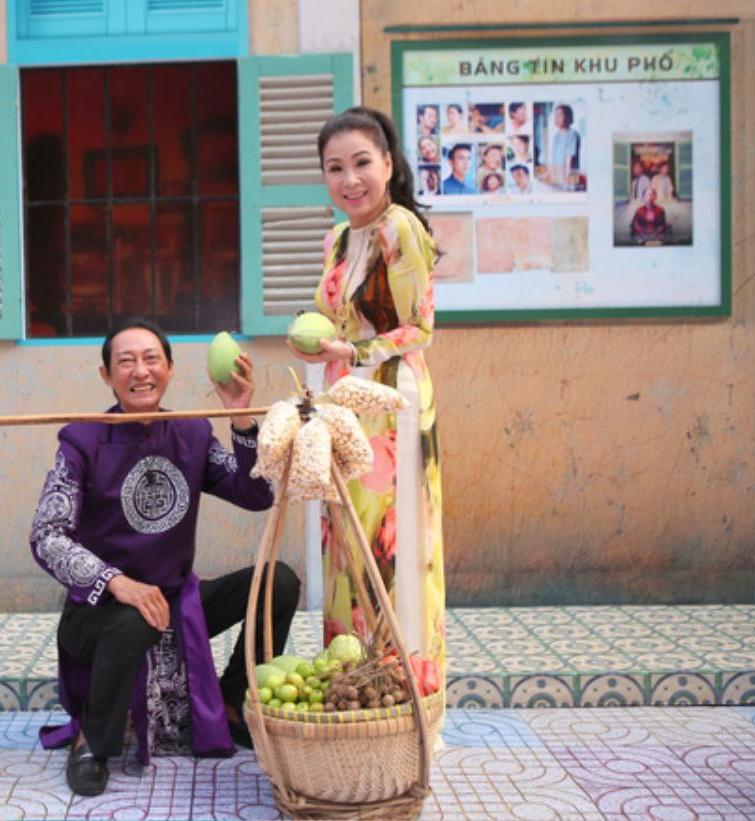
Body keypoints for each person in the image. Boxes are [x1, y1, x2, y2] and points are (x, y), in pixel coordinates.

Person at [31, 318, 300, 796]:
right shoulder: (81, 441)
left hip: (177, 603)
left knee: (278, 581)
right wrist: (117, 581)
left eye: (152, 359)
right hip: (100, 612)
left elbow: (255, 494)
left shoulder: (192, 434)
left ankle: (235, 702)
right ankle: (94, 743)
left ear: (171, 369)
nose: (141, 371)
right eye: (126, 361)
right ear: (106, 375)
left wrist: (239, 416)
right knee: (133, 619)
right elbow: (46, 535)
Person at [293, 104, 445, 695]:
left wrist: (350, 351)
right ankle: (352, 679)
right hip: (342, 399)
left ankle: (402, 688)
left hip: (392, 402)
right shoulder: (337, 238)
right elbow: (334, 319)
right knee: (345, 539)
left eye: (361, 163)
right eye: (335, 168)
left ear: (387, 163)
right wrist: (314, 341)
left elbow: (419, 329)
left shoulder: (399, 229)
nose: (349, 179)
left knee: (390, 544)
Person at [546, 103, 580, 190]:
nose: (556, 118)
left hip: (569, 177)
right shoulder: (556, 137)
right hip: (556, 177)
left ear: (568, 117)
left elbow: (570, 161)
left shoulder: (572, 134)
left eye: (560, 115)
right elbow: (553, 159)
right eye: (555, 115)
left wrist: (567, 182)